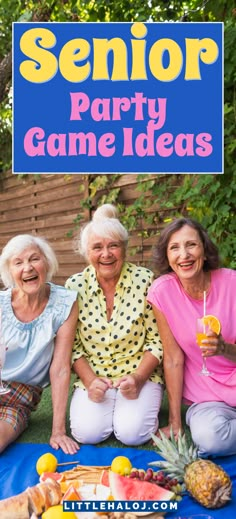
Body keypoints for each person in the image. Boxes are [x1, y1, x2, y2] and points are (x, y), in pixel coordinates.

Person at [65, 204, 163, 446]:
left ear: (125, 248)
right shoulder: (74, 286)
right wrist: (89, 381)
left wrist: (139, 378)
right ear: (86, 252)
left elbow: (157, 340)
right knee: (86, 433)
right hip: (96, 375)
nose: (106, 254)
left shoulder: (145, 280)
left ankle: (137, 407)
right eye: (97, 247)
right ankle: (116, 410)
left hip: (139, 373)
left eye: (113, 245)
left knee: (132, 434)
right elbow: (72, 345)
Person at [147, 217, 236, 457]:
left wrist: (224, 348)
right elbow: (173, 358)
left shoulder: (232, 283)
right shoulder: (162, 292)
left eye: (191, 245)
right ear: (167, 257)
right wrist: (176, 422)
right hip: (207, 397)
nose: (183, 254)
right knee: (210, 439)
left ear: (205, 251)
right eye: (174, 247)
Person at [0, 234, 80, 455]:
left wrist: (58, 430)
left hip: (18, 401)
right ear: (10, 271)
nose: (27, 268)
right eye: (18, 262)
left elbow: (61, 368)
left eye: (34, 259)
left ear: (47, 262)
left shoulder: (65, 303)